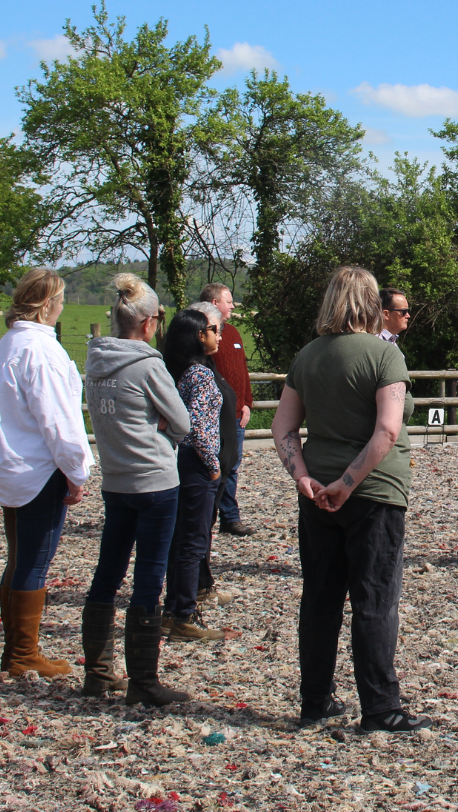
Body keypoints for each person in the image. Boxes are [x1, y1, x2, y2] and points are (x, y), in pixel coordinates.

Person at [272, 265, 431, 732]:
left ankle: (315, 700)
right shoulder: (384, 356)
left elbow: (283, 428)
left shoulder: (306, 356)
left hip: (316, 491)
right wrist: (350, 481)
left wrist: (303, 476)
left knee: (320, 598)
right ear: (369, 303)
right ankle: (380, 707)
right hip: (374, 492)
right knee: (375, 599)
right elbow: (388, 429)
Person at [83, 273, 191, 704]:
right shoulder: (148, 364)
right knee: (149, 576)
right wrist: (160, 425)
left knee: (107, 572)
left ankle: (97, 672)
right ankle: (144, 682)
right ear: (149, 322)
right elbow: (182, 422)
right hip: (154, 479)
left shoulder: (94, 359)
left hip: (115, 478)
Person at [0, 268, 92, 677]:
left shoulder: (9, 344)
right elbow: (58, 419)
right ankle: (23, 653)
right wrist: (77, 469)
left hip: (11, 465)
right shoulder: (41, 351)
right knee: (33, 559)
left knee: (18, 556)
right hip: (38, 468)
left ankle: (16, 648)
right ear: (48, 303)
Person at [162, 308, 236, 642]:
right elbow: (201, 428)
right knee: (194, 540)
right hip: (197, 463)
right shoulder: (200, 375)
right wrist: (213, 463)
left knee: (178, 538)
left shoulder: (172, 370)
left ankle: (171, 610)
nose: (219, 335)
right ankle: (183, 615)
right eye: (213, 330)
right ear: (197, 336)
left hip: (176, 461)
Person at [200, 283, 255, 537]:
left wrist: (246, 404)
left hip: (235, 415)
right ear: (214, 303)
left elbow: (242, 372)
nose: (232, 305)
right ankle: (205, 516)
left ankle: (229, 517)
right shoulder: (200, 335)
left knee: (231, 466)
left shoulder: (232, 333)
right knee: (210, 465)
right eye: (228, 301)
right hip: (212, 415)